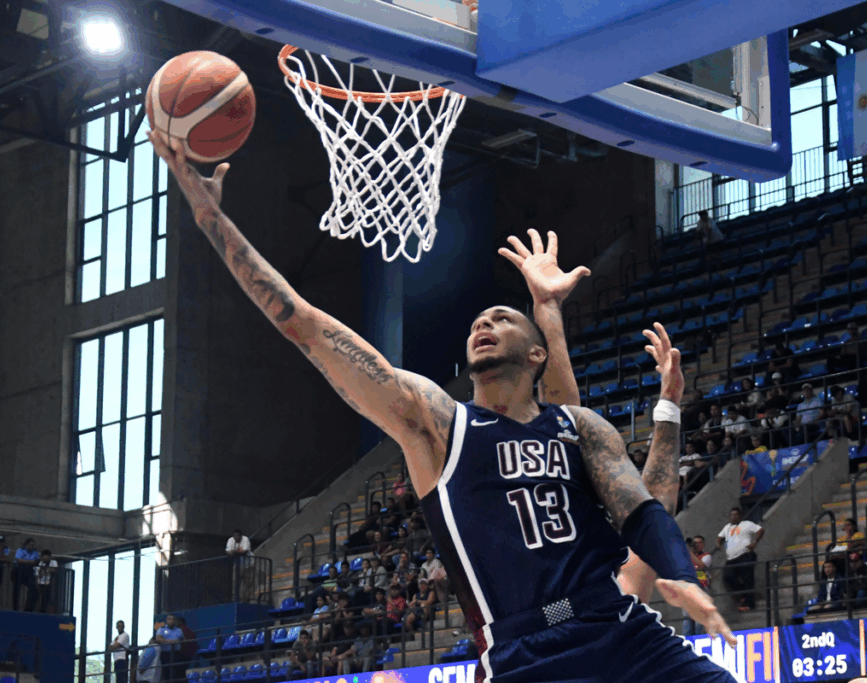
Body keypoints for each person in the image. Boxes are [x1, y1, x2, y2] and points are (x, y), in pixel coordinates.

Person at [151, 132, 735, 682]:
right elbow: (304, 325)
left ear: (534, 352)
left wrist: (679, 570)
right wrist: (212, 220)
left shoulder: (577, 428)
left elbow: (640, 506)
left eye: (501, 318)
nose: (484, 323)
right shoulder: (439, 424)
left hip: (620, 627)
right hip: (526, 652)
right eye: (478, 321)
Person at [717, 507, 764, 612]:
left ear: (740, 516)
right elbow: (720, 536)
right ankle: (744, 593)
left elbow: (761, 530)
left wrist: (755, 542)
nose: (733, 517)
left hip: (746, 555)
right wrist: (718, 543)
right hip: (731, 559)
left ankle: (750, 604)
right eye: (732, 515)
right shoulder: (727, 527)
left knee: (747, 579)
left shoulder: (746, 524)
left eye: (736, 515)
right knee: (728, 576)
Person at [225, 529, 254, 601]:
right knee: (235, 581)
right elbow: (228, 551)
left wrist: (234, 552)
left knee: (248, 583)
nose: (236, 537)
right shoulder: (231, 540)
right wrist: (231, 553)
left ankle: (246, 599)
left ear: (241, 536)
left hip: (248, 565)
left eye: (237, 536)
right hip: (238, 564)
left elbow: (245, 551)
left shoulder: (245, 539)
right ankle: (234, 598)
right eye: (234, 536)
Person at [154, 614, 183, 682]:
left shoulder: (179, 630)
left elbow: (183, 639)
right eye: (169, 619)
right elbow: (158, 639)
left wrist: (173, 641)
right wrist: (170, 641)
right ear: (166, 620)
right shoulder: (162, 629)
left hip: (176, 654)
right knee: (166, 672)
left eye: (173, 619)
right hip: (165, 654)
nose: (171, 620)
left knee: (176, 673)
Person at [13, 538, 40, 611]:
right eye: (30, 545)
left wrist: (26, 562)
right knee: (17, 589)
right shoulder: (20, 550)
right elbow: (19, 561)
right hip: (19, 571)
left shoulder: (35, 552)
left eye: (32, 545)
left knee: (33, 589)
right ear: (26, 544)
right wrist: (30, 562)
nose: (31, 546)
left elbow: (37, 562)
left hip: (29, 571)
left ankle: (28, 607)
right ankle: (15, 608)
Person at [176, 616, 198, 682]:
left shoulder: (183, 630)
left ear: (180, 622)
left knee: (180, 673)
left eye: (176, 621)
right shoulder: (185, 630)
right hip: (187, 655)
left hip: (184, 655)